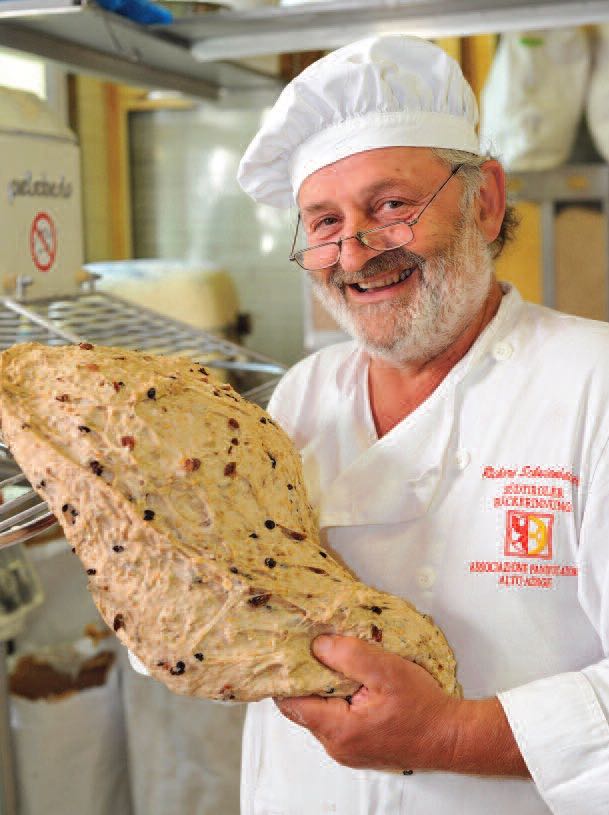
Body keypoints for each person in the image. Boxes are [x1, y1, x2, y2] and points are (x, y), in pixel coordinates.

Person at [236, 35, 609, 815]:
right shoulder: (298, 399)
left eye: (391, 205)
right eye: (324, 221)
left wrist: (446, 734)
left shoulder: (591, 385)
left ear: (484, 199)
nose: (355, 252)